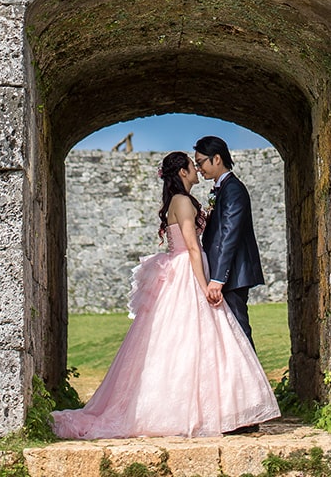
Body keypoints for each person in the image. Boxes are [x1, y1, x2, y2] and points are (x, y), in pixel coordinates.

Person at [51, 151, 279, 439]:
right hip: (189, 270)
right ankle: (198, 411)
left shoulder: (177, 201)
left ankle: (209, 409)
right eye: (191, 166)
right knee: (197, 341)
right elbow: (193, 248)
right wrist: (204, 285)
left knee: (191, 342)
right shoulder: (182, 202)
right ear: (182, 173)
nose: (197, 169)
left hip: (182, 267)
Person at [195, 136, 264, 349]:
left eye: (200, 163)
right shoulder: (222, 188)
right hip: (227, 275)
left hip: (232, 275)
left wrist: (217, 278)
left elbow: (229, 235)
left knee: (239, 332)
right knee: (229, 335)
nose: (199, 169)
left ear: (216, 159)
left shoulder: (233, 189)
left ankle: (253, 382)